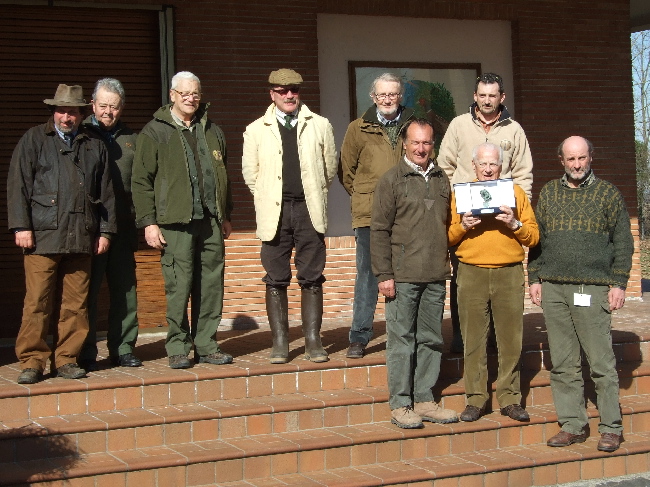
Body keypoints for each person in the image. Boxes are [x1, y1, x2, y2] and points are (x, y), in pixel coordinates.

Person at [528, 136, 633, 453]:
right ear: (561, 159)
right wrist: (534, 277)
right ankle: (573, 425)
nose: (577, 165)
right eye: (571, 159)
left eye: (582, 158)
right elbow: (537, 240)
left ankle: (611, 427)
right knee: (563, 363)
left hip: (593, 288)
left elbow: (623, 242)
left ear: (591, 158)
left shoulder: (608, 194)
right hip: (555, 289)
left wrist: (619, 282)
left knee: (601, 362)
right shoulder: (548, 193)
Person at [7, 84, 116, 383]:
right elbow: (18, 185)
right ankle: (32, 361)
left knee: (75, 303)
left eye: (72, 111)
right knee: (37, 302)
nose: (67, 116)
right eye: (62, 110)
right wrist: (21, 226)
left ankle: (67, 358)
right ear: (53, 111)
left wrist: (105, 231)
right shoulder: (33, 139)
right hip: (42, 236)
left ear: (82, 113)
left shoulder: (94, 145)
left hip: (82, 235)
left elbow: (106, 192)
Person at [132, 71, 233, 369]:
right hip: (175, 223)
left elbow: (223, 176)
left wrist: (226, 215)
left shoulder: (212, 130)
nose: (191, 98)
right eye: (185, 93)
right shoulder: (154, 132)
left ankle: (206, 344)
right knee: (179, 285)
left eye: (196, 93)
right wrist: (149, 222)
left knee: (211, 284)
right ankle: (178, 346)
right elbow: (141, 181)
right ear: (172, 95)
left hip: (211, 221)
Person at [242, 68, 337, 364]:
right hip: (275, 212)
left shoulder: (320, 125)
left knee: (312, 276)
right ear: (271, 93)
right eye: (282, 91)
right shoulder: (255, 129)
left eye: (293, 89)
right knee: (275, 277)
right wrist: (269, 196)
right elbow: (250, 173)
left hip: (309, 211)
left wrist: (313, 194)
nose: (289, 95)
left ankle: (313, 341)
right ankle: (280, 343)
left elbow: (329, 168)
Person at [371, 118, 458, 429]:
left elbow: (448, 224)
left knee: (431, 339)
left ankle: (424, 398)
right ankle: (401, 403)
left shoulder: (440, 178)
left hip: (435, 275)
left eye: (427, 142)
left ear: (433, 144)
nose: (421, 148)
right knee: (402, 341)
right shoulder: (392, 180)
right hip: (402, 276)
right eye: (416, 142)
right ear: (405, 144)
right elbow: (379, 230)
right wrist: (384, 273)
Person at [437, 72, 534, 354]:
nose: (487, 100)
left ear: (501, 98)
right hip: (468, 217)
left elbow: (523, 173)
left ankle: (494, 338)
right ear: (475, 97)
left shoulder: (514, 130)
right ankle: (461, 335)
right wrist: (455, 209)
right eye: (483, 95)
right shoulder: (458, 126)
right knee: (463, 279)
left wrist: (518, 208)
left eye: (493, 95)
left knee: (500, 282)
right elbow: (445, 168)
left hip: (503, 218)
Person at [448, 142, 539, 422]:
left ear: (502, 166)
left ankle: (510, 399)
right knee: (473, 339)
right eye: (483, 164)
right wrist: (463, 226)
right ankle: (476, 399)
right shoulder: (460, 196)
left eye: (493, 164)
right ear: (473, 166)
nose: (488, 169)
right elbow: (446, 237)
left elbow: (534, 237)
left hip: (508, 273)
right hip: (471, 272)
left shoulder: (515, 193)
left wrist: (514, 224)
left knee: (510, 340)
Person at [340, 73, 414, 359]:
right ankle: (359, 336)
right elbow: (347, 172)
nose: (387, 100)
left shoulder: (412, 126)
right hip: (369, 214)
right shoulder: (357, 129)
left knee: (405, 275)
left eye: (392, 95)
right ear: (373, 97)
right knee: (368, 276)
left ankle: (402, 333)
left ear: (400, 96)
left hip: (407, 214)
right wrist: (368, 197)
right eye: (381, 95)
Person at [78, 78, 141, 370]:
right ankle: (84, 351)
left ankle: (123, 347)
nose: (107, 112)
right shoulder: (80, 135)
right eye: (102, 105)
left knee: (125, 291)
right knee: (86, 292)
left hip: (124, 228)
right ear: (92, 105)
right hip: (88, 228)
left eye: (113, 107)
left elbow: (142, 183)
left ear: (121, 108)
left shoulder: (133, 139)